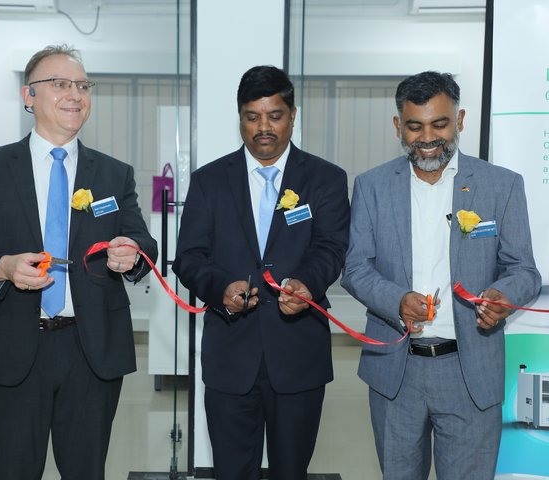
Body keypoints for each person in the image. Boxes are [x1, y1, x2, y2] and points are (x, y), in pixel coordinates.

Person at [0, 45, 158, 480]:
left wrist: (132, 253)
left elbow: (143, 243)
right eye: (60, 84)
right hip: (11, 348)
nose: (75, 94)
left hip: (92, 349)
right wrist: (4, 267)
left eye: (83, 85)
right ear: (29, 95)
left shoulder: (113, 174)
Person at [341, 71, 541, 479]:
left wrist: (502, 295)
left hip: (470, 372)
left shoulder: (500, 186)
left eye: (440, 124)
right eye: (415, 126)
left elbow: (524, 270)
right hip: (396, 373)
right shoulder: (372, 186)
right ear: (398, 126)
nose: (428, 137)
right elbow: (356, 267)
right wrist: (396, 300)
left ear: (460, 120)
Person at [172, 65, 350, 480]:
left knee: (292, 472)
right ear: (240, 118)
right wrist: (221, 288)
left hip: (299, 354)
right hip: (230, 356)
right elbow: (189, 258)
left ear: (293, 115)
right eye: (252, 117)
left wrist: (306, 284)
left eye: (275, 116)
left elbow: (331, 248)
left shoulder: (325, 179)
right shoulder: (209, 181)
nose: (263, 128)